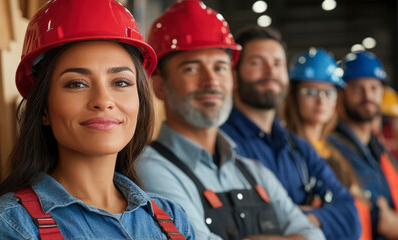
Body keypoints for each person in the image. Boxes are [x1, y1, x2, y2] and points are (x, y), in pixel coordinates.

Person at [0, 0, 195, 239]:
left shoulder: (173, 219)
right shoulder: (6, 227)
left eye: (121, 82)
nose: (103, 100)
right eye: (76, 84)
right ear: (44, 109)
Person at [136, 1, 325, 239]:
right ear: (160, 86)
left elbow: (314, 234)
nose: (211, 81)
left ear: (233, 80)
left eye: (220, 67)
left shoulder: (253, 170)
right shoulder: (148, 171)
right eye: (191, 69)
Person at [220, 26, 360, 239]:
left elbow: (351, 218)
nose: (270, 72)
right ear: (234, 74)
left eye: (277, 63)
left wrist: (304, 218)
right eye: (257, 62)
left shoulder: (298, 148)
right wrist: (312, 217)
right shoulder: (221, 144)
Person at [281, 47, 372, 240]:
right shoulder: (283, 151)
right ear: (293, 96)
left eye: (328, 92)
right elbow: (282, 215)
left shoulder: (338, 150)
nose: (320, 100)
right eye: (310, 91)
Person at [327, 51, 398, 240]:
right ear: (341, 93)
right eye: (358, 88)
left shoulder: (380, 152)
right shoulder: (331, 151)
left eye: (374, 88)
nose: (368, 96)